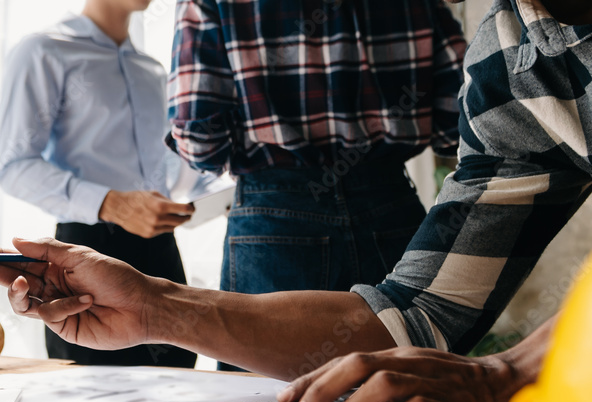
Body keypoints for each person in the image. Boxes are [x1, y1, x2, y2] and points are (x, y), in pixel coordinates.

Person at [0, 0, 592, 402]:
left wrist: (514, 370)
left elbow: (196, 136)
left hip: (270, 208)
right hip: (386, 196)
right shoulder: (508, 57)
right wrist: (158, 305)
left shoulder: (195, 22)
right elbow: (417, 317)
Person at [167, 1, 465, 312]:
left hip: (274, 219)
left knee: (266, 358)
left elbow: (199, 140)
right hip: (390, 206)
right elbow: (456, 119)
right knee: (402, 353)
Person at [0, 0, 212, 368]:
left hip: (161, 251)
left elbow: (168, 167)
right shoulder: (44, 50)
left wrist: (205, 191)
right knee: (94, 401)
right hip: (86, 251)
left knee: (178, 389)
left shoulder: (153, 70)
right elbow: (14, 166)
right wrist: (110, 202)